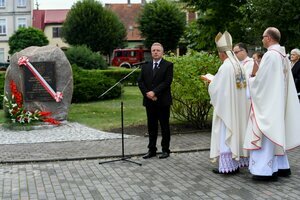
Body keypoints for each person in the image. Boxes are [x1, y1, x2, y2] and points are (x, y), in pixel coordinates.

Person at [244, 27, 300, 181]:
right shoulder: (282, 55)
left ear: (268, 38)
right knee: (274, 134)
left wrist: (251, 78)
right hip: (278, 101)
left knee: (265, 135)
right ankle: (280, 166)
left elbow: (262, 82)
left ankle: (264, 170)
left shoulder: (270, 56)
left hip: (268, 103)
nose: (262, 40)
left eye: (263, 37)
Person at [202, 31, 249, 174]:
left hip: (227, 109)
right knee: (237, 133)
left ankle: (227, 166)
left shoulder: (225, 66)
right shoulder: (239, 65)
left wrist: (210, 82)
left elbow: (217, 88)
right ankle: (235, 163)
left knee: (225, 135)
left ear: (222, 53)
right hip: (239, 108)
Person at [138, 42, 173, 159]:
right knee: (151, 127)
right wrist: (148, 94)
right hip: (149, 102)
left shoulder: (168, 65)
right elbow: (140, 82)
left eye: (158, 50)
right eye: (153, 50)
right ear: (151, 52)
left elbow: (166, 82)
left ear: (162, 52)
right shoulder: (146, 65)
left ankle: (165, 150)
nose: (155, 52)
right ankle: (151, 150)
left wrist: (154, 92)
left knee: (164, 127)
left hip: (163, 102)